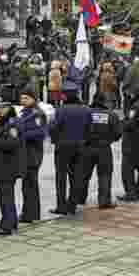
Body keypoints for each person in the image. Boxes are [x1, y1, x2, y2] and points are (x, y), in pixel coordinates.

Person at [48, 82, 89, 215]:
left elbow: (53, 128)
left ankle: (61, 206)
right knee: (76, 176)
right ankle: (72, 205)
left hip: (63, 146)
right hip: (80, 146)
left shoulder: (61, 110)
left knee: (61, 177)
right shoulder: (85, 109)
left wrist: (55, 140)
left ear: (64, 96)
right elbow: (89, 129)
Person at [79, 93, 123, 208]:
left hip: (87, 148)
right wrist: (109, 139)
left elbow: (80, 130)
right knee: (105, 175)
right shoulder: (111, 115)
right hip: (104, 149)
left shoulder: (86, 113)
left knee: (83, 174)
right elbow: (118, 133)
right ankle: (104, 201)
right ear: (105, 102)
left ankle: (79, 198)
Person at [0, 103, 24, 235]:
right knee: (7, 195)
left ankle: (6, 226)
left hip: (8, 166)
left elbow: (13, 143)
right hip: (4, 165)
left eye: (2, 107)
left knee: (6, 197)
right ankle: (10, 221)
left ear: (10, 108)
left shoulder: (13, 123)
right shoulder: (5, 121)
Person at [15, 89, 46, 223]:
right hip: (24, 154)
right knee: (26, 186)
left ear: (34, 99)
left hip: (32, 154)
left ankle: (31, 214)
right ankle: (28, 213)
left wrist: (21, 135)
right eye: (22, 98)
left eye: (26, 98)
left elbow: (40, 133)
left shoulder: (37, 114)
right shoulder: (24, 112)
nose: (23, 101)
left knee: (31, 185)